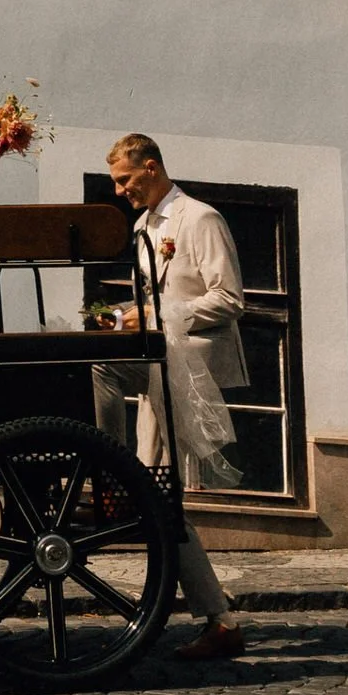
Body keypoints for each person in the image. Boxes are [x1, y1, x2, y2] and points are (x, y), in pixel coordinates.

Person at [95, 132, 248, 662]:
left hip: (192, 359)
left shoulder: (199, 218)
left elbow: (229, 298)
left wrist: (159, 317)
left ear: (152, 168)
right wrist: (124, 317)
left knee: (157, 493)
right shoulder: (142, 226)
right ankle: (217, 618)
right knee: (157, 496)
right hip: (161, 356)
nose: (119, 191)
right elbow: (152, 299)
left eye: (125, 179)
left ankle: (107, 470)